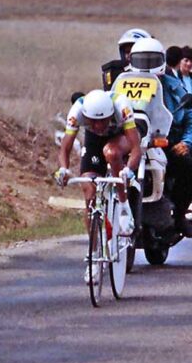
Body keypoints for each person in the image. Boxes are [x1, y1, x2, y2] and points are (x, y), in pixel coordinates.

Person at [131, 38, 192, 237]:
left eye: (152, 60)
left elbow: (191, 117)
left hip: (165, 140)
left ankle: (191, 217)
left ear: (162, 60)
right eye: (142, 60)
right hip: (133, 141)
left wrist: (186, 142)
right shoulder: (124, 84)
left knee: (188, 164)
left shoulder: (173, 85)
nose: (147, 65)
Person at [55, 89, 142, 283]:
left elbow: (136, 148)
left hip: (122, 136)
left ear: (111, 114)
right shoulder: (77, 111)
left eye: (102, 121)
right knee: (89, 192)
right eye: (92, 121)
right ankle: (94, 257)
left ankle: (124, 204)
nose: (98, 125)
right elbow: (65, 148)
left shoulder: (121, 105)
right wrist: (63, 169)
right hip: (94, 141)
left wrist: (128, 170)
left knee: (111, 152)